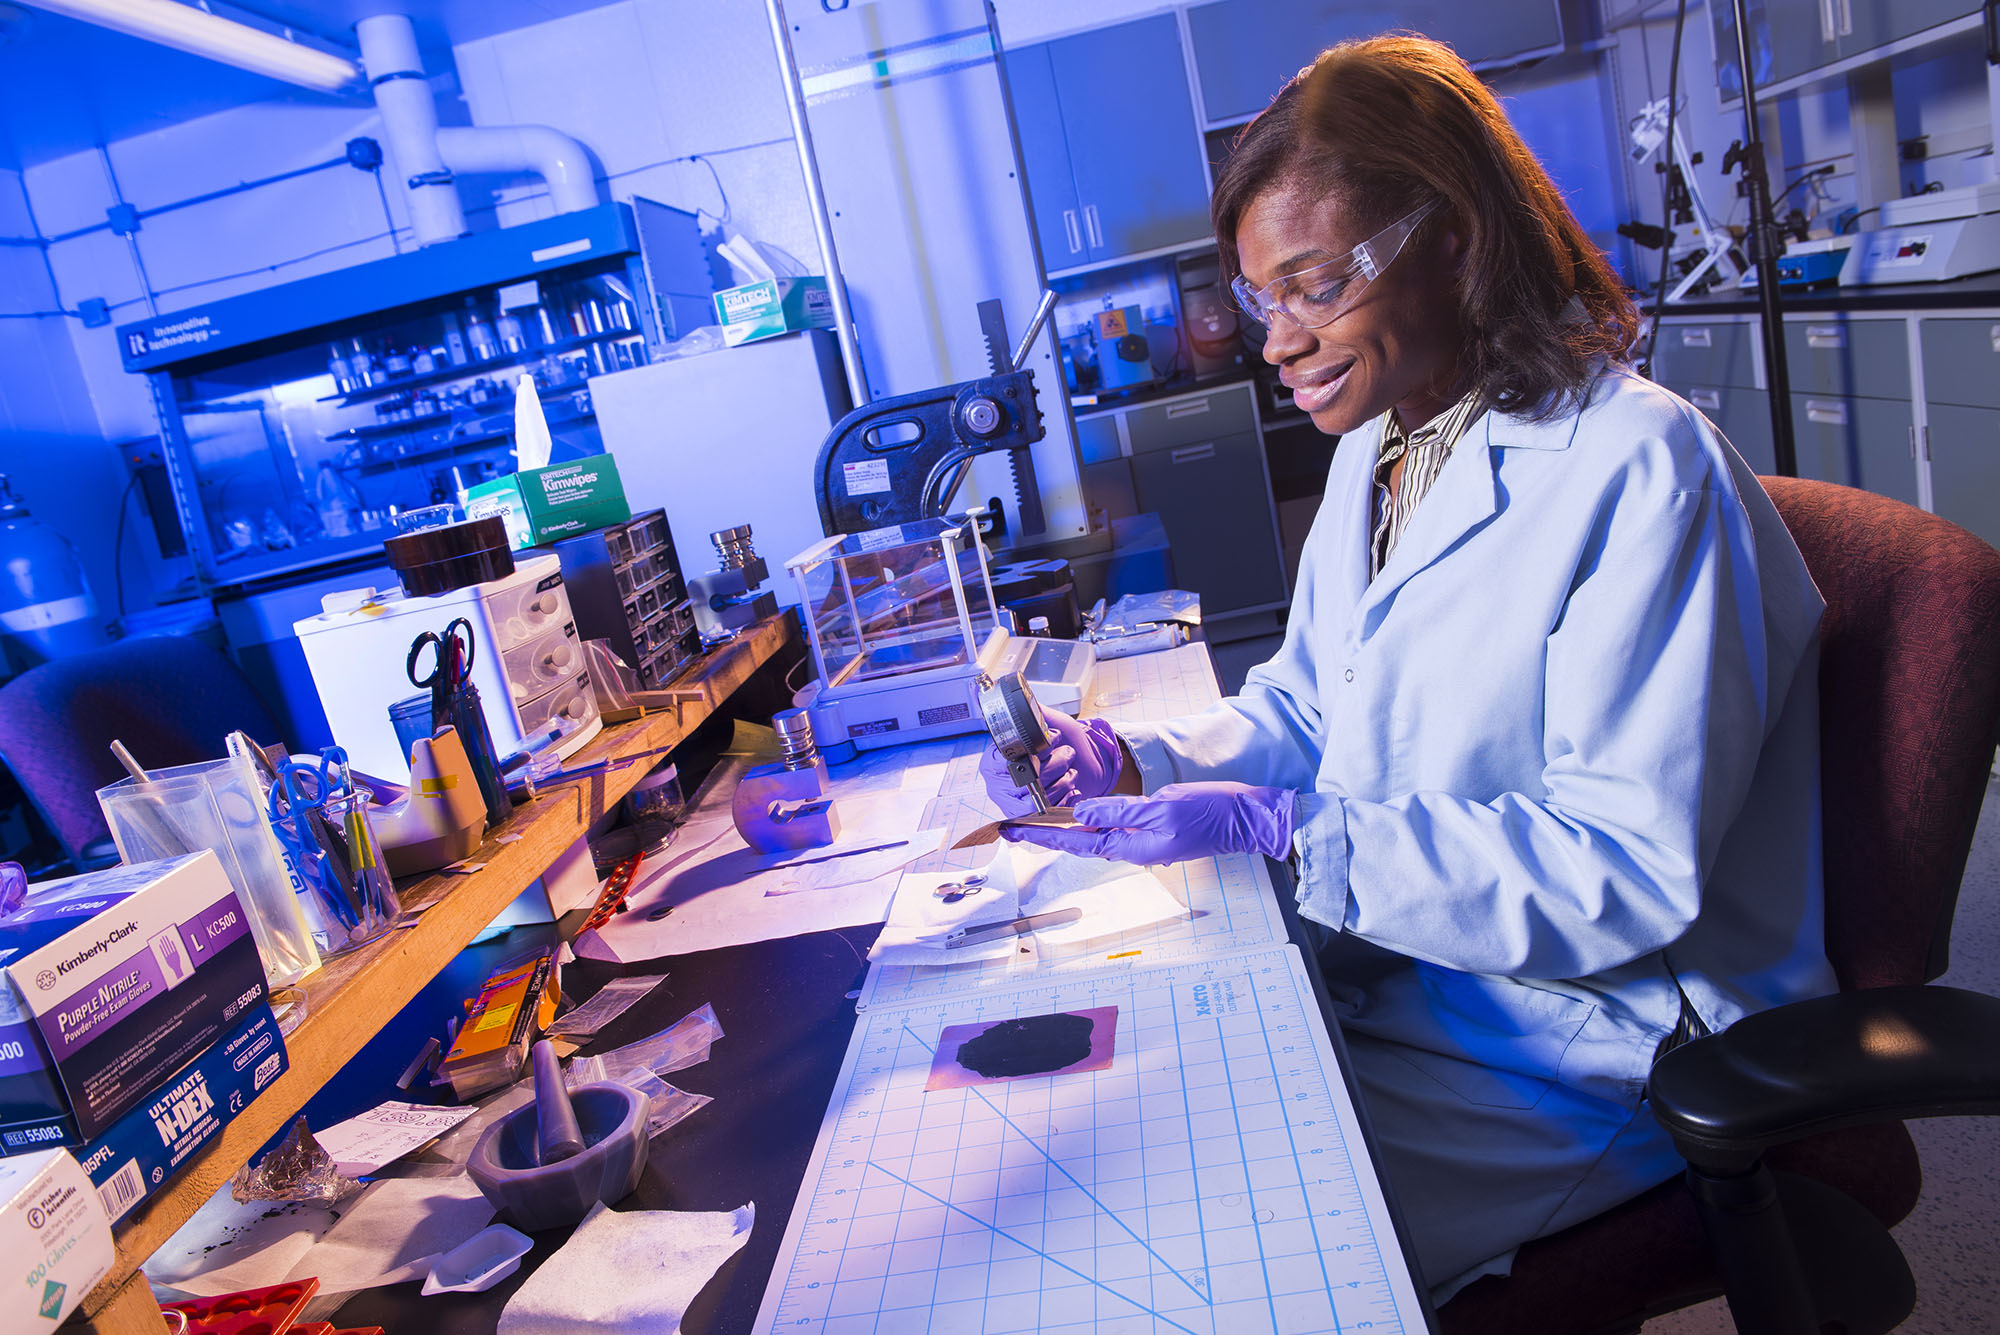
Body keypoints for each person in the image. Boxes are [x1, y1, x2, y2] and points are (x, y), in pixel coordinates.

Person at [984, 35, 1836, 1303]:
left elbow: (1621, 871)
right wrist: (1145, 760)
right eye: (1260, 299)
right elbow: (1312, 701)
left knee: (1212, 1267)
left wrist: (1290, 837)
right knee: (1133, 1151)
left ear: (1455, 237)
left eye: (1312, 287)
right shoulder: (1383, 448)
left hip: (1600, 1035)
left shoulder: (1637, 468)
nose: (1273, 342)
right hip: (1436, 984)